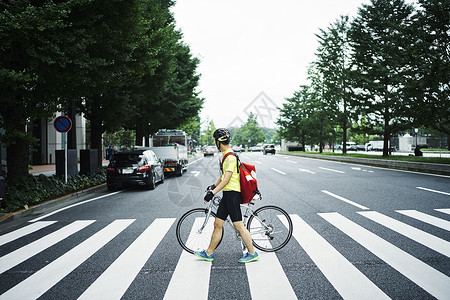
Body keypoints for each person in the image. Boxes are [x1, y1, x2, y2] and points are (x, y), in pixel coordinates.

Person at [194, 128, 259, 263]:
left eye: (215, 141)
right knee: (218, 224)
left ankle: (252, 253)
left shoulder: (229, 157)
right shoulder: (227, 155)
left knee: (239, 226)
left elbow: (226, 179)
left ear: (218, 142)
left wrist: (212, 193)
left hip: (232, 195)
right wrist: (213, 186)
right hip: (227, 194)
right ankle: (209, 253)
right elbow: (222, 177)